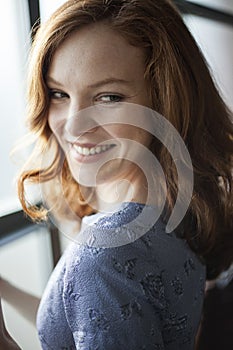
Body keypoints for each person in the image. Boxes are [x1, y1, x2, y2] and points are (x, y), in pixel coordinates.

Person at [0, 0, 232, 349]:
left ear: (165, 101)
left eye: (108, 97)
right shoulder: (177, 212)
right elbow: (86, 324)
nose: (75, 124)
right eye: (58, 93)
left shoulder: (104, 257)